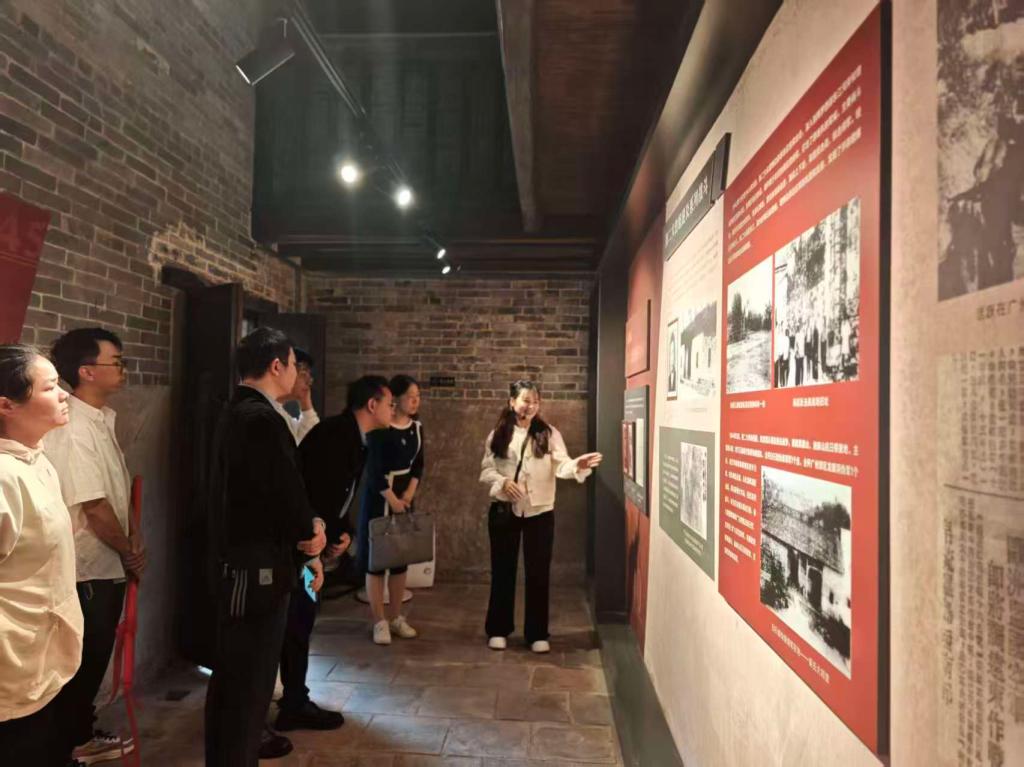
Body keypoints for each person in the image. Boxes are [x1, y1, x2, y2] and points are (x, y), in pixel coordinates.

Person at [204, 327, 326, 767]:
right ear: (277, 366)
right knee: (247, 683)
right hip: (256, 568)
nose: (297, 372)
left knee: (242, 682)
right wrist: (311, 537)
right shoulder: (259, 418)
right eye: (293, 364)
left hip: (248, 562)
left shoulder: (240, 410)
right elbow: (282, 491)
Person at [44, 328, 140, 765]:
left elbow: (116, 493)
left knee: (96, 655)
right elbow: (94, 506)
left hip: (108, 561)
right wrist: (128, 549)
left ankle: (79, 733)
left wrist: (132, 540)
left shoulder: (99, 419)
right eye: (115, 362)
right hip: (88, 566)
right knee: (82, 661)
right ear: (86, 371)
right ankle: (72, 743)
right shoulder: (75, 426)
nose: (123, 369)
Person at [0, 346, 82, 767]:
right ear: (7, 406)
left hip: (39, 659)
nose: (64, 394)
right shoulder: (3, 476)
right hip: (9, 668)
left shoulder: (36, 460)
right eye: (50, 387)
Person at [479, 380, 601, 653]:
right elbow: (486, 469)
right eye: (525, 400)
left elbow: (561, 464)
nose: (531, 406)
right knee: (502, 571)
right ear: (512, 402)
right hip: (505, 510)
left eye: (535, 401)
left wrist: (577, 465)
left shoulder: (548, 433)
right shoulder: (498, 433)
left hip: (540, 511)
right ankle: (498, 629)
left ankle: (537, 634)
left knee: (538, 573)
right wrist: (502, 482)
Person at [358, 374, 424, 645]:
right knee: (376, 563)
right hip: (380, 499)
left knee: (399, 560)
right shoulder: (379, 429)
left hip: (404, 499)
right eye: (411, 397)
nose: (415, 401)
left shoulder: (417, 428)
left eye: (418, 397)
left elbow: (419, 465)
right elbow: (373, 472)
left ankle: (396, 617)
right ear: (395, 399)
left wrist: (408, 495)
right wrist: (392, 500)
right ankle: (379, 621)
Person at [277, 347, 320, 445]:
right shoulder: (268, 414)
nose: (309, 381)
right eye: (303, 373)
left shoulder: (282, 415)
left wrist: (306, 405)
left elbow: (311, 441)